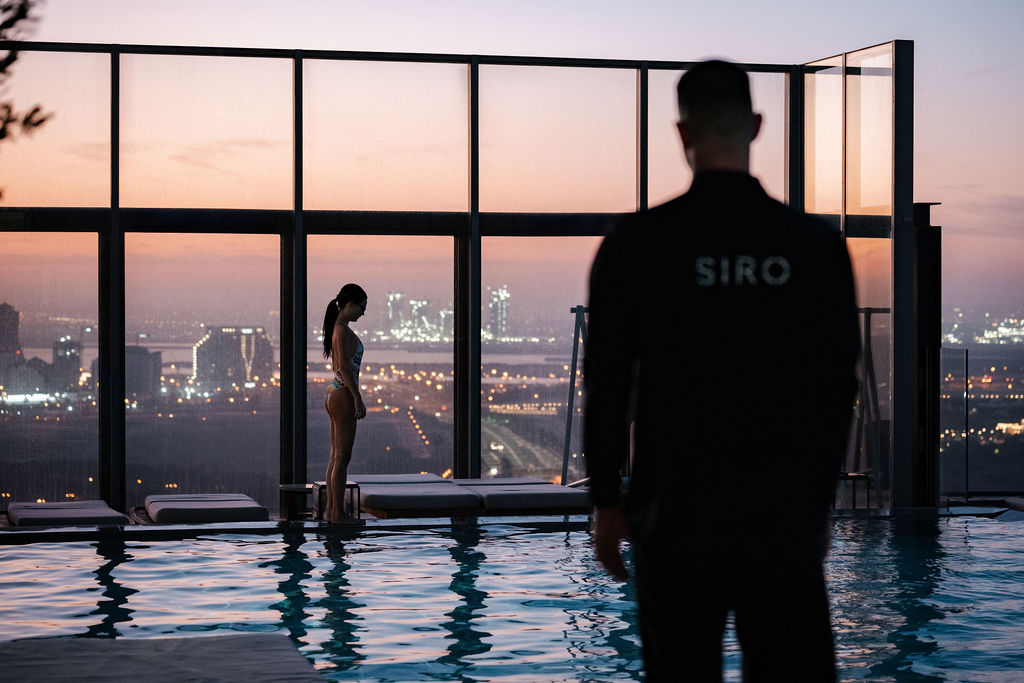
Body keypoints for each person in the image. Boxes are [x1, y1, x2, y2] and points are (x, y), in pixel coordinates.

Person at [584, 60, 859, 681]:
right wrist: (819, 504)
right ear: (757, 126)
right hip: (782, 509)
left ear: (681, 134)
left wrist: (606, 502)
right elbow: (835, 390)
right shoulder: (814, 246)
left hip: (675, 511)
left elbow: (606, 384)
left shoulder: (636, 244)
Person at [322, 283, 368, 524]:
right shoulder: (341, 330)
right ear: (350, 304)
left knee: (336, 456)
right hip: (343, 394)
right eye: (362, 306)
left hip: (334, 391)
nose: (363, 312)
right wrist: (357, 398)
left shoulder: (338, 328)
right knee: (343, 457)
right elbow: (345, 368)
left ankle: (332, 510)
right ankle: (338, 514)